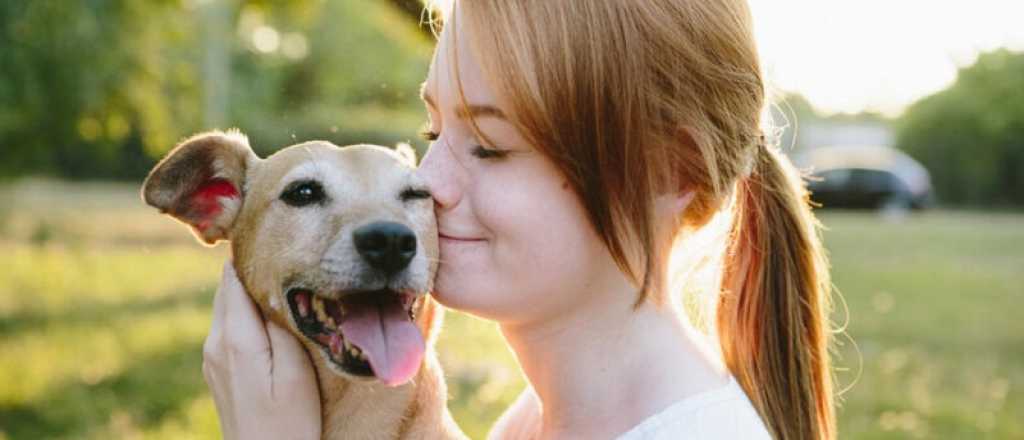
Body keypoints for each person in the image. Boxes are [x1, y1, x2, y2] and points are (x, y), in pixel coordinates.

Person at [201, 0, 836, 439]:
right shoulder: (544, 420)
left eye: (490, 147)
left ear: (669, 172)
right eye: (434, 129)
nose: (427, 182)